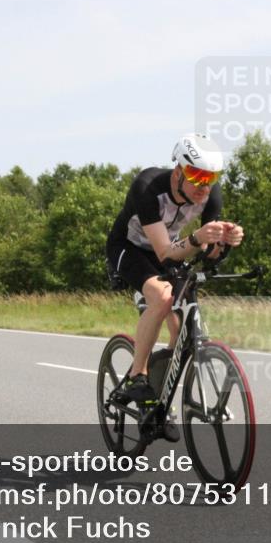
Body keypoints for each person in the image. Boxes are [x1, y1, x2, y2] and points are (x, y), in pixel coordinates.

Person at [105, 134, 244, 440]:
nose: (204, 187)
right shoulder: (148, 187)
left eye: (211, 178)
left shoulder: (210, 195)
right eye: (197, 176)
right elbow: (165, 252)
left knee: (181, 325)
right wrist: (197, 238)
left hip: (170, 250)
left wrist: (223, 243)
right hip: (130, 249)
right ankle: (137, 376)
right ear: (179, 171)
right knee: (163, 297)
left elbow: (208, 256)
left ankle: (159, 394)